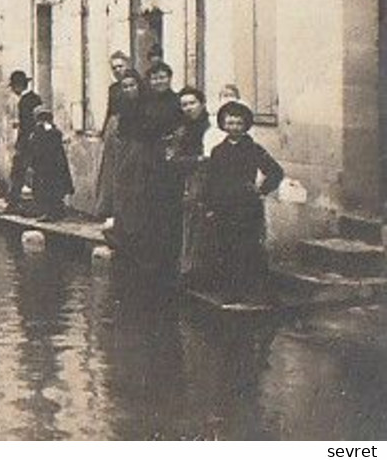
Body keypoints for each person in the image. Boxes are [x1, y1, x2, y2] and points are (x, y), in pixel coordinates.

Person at [201, 99, 284, 303]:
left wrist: (261, 190)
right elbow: (211, 180)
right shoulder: (218, 151)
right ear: (223, 124)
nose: (234, 128)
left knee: (249, 249)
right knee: (225, 248)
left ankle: (255, 292)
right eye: (230, 123)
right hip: (224, 208)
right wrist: (209, 206)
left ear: (245, 125)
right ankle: (231, 291)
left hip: (247, 207)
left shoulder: (253, 149)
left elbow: (275, 172)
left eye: (238, 123)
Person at [110, 61, 185, 276]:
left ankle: (167, 259)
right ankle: (146, 255)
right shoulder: (147, 102)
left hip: (166, 160)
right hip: (147, 159)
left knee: (166, 206)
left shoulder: (176, 101)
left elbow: (179, 129)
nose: (158, 81)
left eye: (162, 77)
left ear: (169, 78)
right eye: (154, 78)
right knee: (145, 203)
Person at [169, 87, 211, 284]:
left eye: (192, 103)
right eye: (184, 104)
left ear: (201, 104)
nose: (188, 108)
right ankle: (187, 269)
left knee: (203, 224)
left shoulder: (210, 127)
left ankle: (201, 270)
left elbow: (212, 156)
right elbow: (174, 158)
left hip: (207, 180)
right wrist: (196, 159)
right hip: (184, 179)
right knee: (187, 223)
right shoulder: (181, 129)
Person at [93, 50, 133, 219]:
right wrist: (104, 130)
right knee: (110, 168)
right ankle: (108, 209)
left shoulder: (134, 84)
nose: (117, 70)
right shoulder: (113, 88)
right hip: (113, 128)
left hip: (129, 128)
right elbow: (110, 110)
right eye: (114, 68)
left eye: (120, 66)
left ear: (128, 65)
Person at [20, 107, 74, 220]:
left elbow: (36, 147)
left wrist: (31, 163)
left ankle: (50, 213)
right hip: (54, 165)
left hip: (46, 166)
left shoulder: (42, 131)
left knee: (46, 189)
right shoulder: (51, 130)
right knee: (54, 189)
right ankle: (56, 212)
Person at [5, 70, 43, 210]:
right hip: (34, 139)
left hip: (27, 140)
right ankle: (38, 203)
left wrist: (22, 140)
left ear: (18, 86)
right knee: (35, 171)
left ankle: (13, 202)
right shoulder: (35, 98)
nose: (14, 90)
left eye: (14, 87)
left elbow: (28, 124)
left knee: (18, 171)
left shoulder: (25, 101)